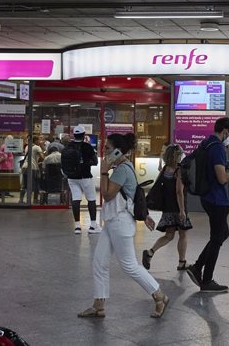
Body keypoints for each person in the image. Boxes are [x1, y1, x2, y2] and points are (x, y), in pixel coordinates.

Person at [78, 133, 168, 319]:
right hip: (113, 222)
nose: (105, 152)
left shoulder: (122, 169)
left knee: (129, 265)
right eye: (105, 149)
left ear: (119, 150)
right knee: (99, 263)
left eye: (108, 149)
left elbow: (107, 194)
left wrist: (104, 171)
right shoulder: (121, 167)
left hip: (120, 224)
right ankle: (99, 304)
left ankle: (159, 295)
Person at [186, 117, 229, 293]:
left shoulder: (206, 143)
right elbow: (222, 178)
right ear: (224, 131)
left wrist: (224, 166)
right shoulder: (217, 147)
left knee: (223, 234)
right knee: (217, 239)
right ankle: (206, 280)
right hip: (217, 199)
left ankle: (197, 266)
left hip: (207, 197)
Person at [142, 144, 193, 271]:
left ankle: (150, 252)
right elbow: (179, 192)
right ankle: (182, 262)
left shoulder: (165, 169)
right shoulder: (179, 170)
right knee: (183, 234)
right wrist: (182, 210)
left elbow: (159, 185)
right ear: (177, 156)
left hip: (168, 207)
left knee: (169, 235)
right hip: (178, 207)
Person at [66, 126, 100, 234]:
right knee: (91, 199)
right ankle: (93, 225)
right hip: (85, 176)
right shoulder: (87, 147)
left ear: (74, 135)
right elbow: (95, 162)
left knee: (76, 199)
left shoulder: (68, 146)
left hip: (72, 177)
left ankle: (77, 226)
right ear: (84, 135)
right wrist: (86, 162)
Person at [19, 135, 43, 204]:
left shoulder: (27, 147)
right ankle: (35, 200)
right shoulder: (37, 147)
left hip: (24, 167)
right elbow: (42, 157)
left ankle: (21, 200)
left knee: (24, 184)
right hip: (33, 167)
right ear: (35, 141)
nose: (40, 141)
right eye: (38, 140)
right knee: (36, 184)